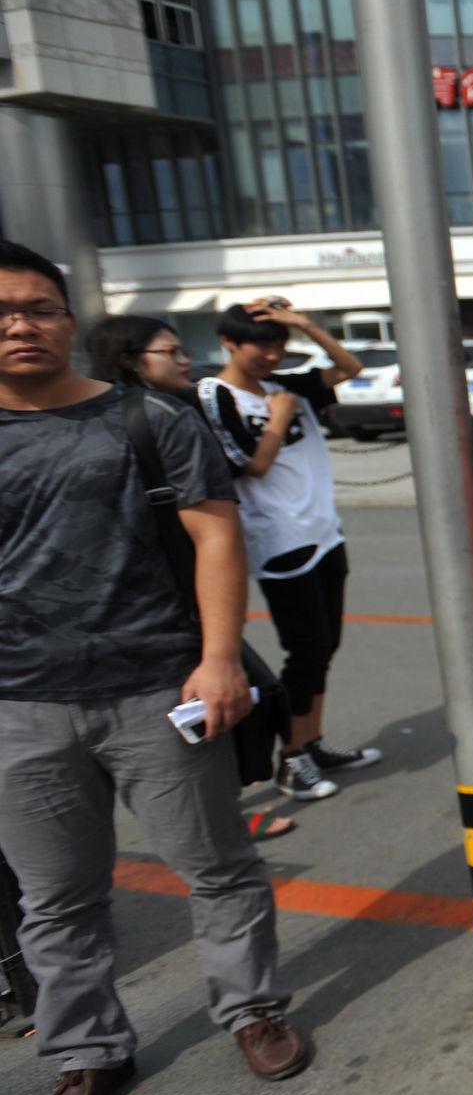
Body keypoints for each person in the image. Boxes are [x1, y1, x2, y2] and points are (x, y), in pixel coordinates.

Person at [0, 240, 311, 1095]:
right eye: (3, 311)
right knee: (54, 897)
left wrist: (220, 659)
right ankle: (89, 1051)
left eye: (38, 307)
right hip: (19, 704)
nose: (20, 323)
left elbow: (217, 539)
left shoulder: (147, 420)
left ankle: (251, 1009)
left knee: (216, 864)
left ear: (69, 321)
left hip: (156, 684)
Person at [87, 315, 297, 842]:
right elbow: (250, 471)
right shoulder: (129, 420)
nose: (185, 361)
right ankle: (213, 823)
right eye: (170, 352)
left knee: (212, 713)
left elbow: (215, 529)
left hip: (185, 598)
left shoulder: (176, 411)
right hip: (150, 609)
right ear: (133, 360)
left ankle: (222, 816)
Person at [197, 300, 378, 801]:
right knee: (306, 650)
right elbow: (250, 467)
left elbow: (351, 368)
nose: (273, 355)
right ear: (229, 343)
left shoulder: (285, 385)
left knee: (325, 647)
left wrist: (302, 324)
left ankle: (311, 743)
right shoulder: (214, 395)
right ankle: (292, 760)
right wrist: (277, 422)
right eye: (262, 345)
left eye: (280, 345)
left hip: (323, 531)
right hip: (279, 540)